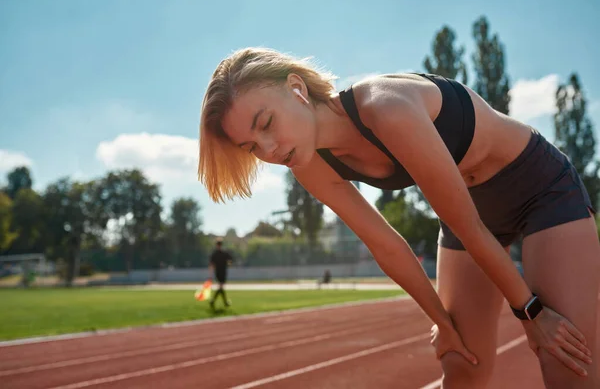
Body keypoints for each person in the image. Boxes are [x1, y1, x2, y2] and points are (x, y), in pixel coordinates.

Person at [197, 47, 599, 388]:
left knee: (567, 363)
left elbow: (468, 227)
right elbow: (386, 245)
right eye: (252, 147)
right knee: (462, 366)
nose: (269, 149)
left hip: (539, 189)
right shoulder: (307, 163)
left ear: (297, 88)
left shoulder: (385, 107)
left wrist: (532, 313)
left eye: (266, 123)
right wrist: (441, 321)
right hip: (470, 213)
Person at [208, 238, 233, 308]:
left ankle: (219, 301)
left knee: (221, 287)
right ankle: (217, 301)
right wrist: (229, 264)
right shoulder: (223, 253)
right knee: (221, 287)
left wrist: (210, 275)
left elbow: (211, 265)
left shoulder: (215, 254)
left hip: (219, 272)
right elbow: (230, 261)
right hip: (221, 272)